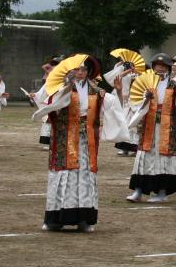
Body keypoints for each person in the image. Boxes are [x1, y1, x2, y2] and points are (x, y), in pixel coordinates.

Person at [32, 55, 128, 232]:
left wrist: (119, 91)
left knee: (84, 176)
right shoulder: (61, 88)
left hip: (86, 140)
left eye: (84, 69)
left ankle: (84, 219)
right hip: (64, 139)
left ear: (89, 72)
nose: (80, 73)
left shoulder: (97, 91)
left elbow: (115, 108)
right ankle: (55, 219)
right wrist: (64, 90)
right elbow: (46, 104)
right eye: (77, 69)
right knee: (63, 175)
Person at [126, 53, 176, 204]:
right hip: (149, 123)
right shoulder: (146, 83)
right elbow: (135, 104)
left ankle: (162, 191)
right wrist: (145, 99)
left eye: (163, 66)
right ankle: (139, 190)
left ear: (168, 68)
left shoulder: (175, 86)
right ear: (153, 67)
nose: (159, 68)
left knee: (164, 156)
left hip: (168, 126)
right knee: (144, 155)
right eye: (157, 65)